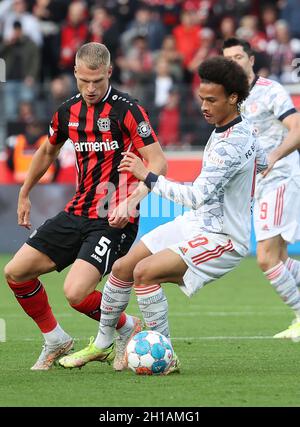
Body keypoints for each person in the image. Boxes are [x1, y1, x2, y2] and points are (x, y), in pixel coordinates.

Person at [58, 56, 267, 372]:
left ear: (234, 98)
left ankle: (164, 355)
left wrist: (147, 176)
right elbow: (263, 163)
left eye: (212, 100)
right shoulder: (236, 126)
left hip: (223, 236)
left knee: (145, 272)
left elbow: (195, 196)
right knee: (123, 266)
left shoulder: (231, 145)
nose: (204, 106)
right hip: (198, 224)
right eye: (201, 98)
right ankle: (102, 343)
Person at [4, 42, 167, 371]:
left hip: (114, 217)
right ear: (75, 73)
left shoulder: (127, 110)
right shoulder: (67, 112)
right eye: (84, 82)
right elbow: (48, 152)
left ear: (109, 72)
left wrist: (133, 200)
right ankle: (55, 338)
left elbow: (159, 163)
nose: (91, 89)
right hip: (77, 211)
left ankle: (125, 326)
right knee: (15, 272)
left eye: (98, 81)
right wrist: (25, 191)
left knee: (76, 293)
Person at [223, 38, 300, 339]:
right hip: (260, 185)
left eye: (239, 56)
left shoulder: (271, 91)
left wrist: (274, 156)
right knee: (279, 260)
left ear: (251, 60)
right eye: (228, 59)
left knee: (266, 258)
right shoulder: (230, 99)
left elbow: (297, 128)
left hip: (280, 177)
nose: (234, 63)